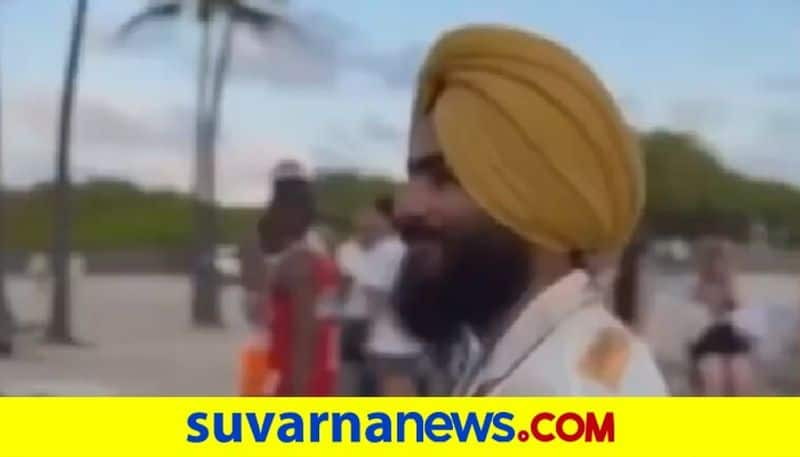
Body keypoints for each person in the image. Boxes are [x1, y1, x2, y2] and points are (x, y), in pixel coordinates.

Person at [392, 25, 667, 396]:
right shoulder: (523, 352)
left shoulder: (572, 394)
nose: (405, 208)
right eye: (414, 178)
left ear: (536, 202)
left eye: (445, 179)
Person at [256, 160, 340, 396]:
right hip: (323, 363)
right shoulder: (324, 247)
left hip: (295, 371)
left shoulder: (297, 264)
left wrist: (299, 388)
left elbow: (305, 331)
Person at [361, 196, 424, 396]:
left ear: (384, 217)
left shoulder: (385, 250)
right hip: (413, 343)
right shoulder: (412, 248)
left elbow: (374, 298)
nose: (367, 219)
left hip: (387, 344)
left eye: (372, 214)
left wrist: (366, 332)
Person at [688, 238, 755, 396]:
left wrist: (730, 291)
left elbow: (742, 316)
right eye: (715, 261)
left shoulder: (732, 285)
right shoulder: (698, 287)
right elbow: (693, 318)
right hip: (707, 339)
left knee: (739, 372)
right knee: (714, 373)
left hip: (731, 338)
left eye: (723, 262)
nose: (718, 267)